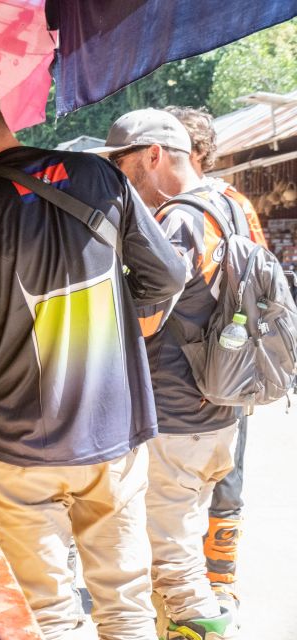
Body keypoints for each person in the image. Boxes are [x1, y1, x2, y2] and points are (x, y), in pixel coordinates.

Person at [0, 68, 184, 639]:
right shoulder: (99, 175)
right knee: (126, 607)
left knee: (47, 614)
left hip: (22, 447)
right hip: (113, 436)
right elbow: (167, 273)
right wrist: (109, 312)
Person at [95, 108, 241, 639]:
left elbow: (152, 314)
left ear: (153, 156)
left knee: (175, 570)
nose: (118, 178)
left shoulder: (180, 218)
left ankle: (206, 628)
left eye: (122, 164)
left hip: (178, 415)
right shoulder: (229, 207)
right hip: (220, 410)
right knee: (183, 544)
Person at [165, 105, 265, 614]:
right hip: (238, 362)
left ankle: (205, 586)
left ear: (197, 153)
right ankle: (220, 581)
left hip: (197, 365)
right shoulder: (239, 205)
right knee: (227, 474)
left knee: (196, 481)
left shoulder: (186, 211)